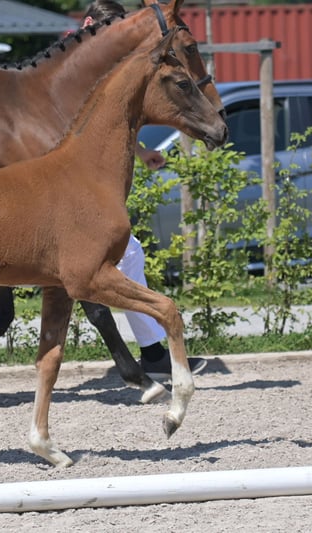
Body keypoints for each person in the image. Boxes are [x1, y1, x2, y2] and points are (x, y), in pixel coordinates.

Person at [80, 0, 206, 379]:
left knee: (129, 255)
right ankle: (151, 355)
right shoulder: (76, 67)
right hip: (71, 185)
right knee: (127, 254)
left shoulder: (88, 62)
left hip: (80, 181)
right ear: (91, 25)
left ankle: (151, 355)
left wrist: (139, 152)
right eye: (109, 32)